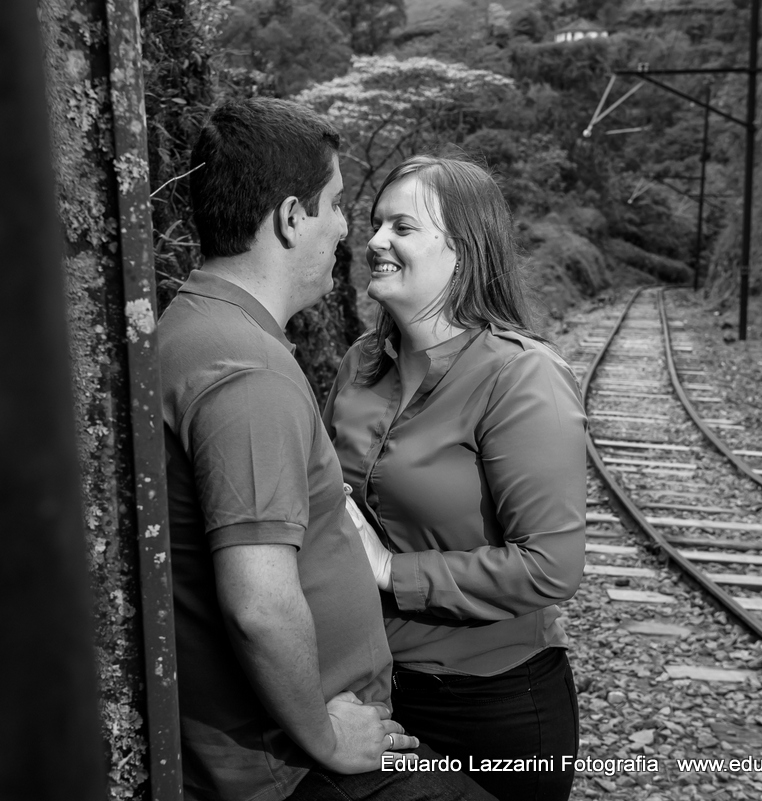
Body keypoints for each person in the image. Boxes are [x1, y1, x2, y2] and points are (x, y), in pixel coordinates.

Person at [159, 100, 496, 801]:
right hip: (288, 764)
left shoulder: (199, 325)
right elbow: (258, 604)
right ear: (291, 217)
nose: (347, 228)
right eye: (337, 204)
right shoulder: (246, 371)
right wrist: (326, 738)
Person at [323, 155, 588, 800]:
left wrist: (391, 571)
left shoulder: (520, 377)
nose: (375, 240)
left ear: (465, 251)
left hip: (490, 710)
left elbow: (552, 568)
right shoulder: (360, 364)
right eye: (376, 223)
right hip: (366, 695)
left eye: (403, 227)